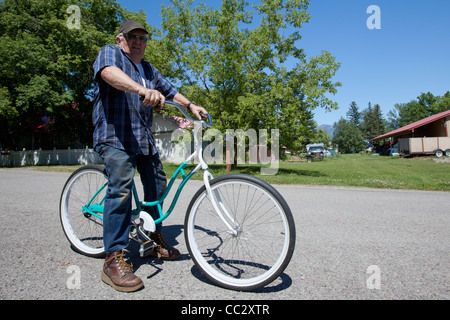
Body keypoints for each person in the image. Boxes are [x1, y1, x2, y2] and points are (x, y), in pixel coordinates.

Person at [92, 20, 208, 292]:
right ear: (121, 39)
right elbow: (108, 73)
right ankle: (112, 260)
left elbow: (169, 91)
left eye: (142, 38)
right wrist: (141, 89)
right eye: (132, 37)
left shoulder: (148, 69)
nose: (138, 42)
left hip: (142, 138)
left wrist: (191, 105)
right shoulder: (110, 53)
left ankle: (151, 239)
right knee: (121, 187)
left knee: (157, 184)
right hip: (114, 134)